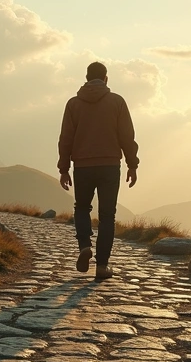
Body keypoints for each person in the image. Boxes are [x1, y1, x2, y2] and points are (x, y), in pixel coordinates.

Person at [57, 61, 139, 280]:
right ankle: (102, 266)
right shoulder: (117, 102)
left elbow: (66, 139)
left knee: (82, 207)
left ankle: (85, 245)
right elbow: (126, 136)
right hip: (110, 165)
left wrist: (64, 169)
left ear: (86, 78)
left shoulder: (73, 104)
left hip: (82, 166)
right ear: (106, 78)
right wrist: (132, 164)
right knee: (107, 216)